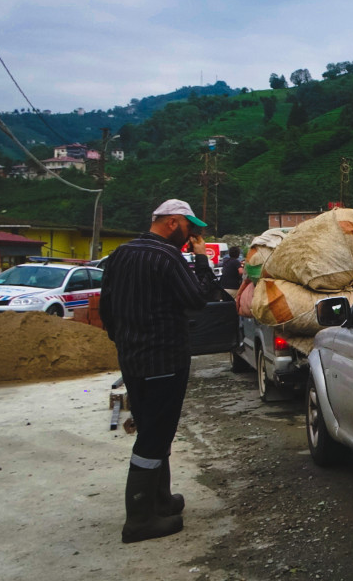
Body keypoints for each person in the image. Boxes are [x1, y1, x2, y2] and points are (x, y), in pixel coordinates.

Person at [99, 199, 220, 543]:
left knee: (154, 429)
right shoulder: (168, 257)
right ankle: (139, 520)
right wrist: (200, 258)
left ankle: (160, 500)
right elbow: (198, 299)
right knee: (154, 437)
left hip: (133, 360)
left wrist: (125, 342)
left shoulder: (120, 254)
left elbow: (106, 307)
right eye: (188, 227)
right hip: (164, 361)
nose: (190, 234)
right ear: (171, 223)